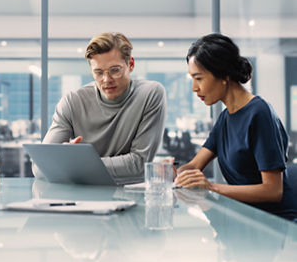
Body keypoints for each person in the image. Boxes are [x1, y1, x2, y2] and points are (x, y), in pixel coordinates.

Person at [174, 33, 297, 221]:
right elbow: (194, 165)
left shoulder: (259, 113)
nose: (194, 88)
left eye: (198, 78)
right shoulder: (225, 118)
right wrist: (175, 171)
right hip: (244, 216)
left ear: (223, 75)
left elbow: (273, 190)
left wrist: (211, 187)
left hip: (273, 223)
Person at [33, 32, 166, 184]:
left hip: (129, 194)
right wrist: (73, 162)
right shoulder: (72, 102)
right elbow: (39, 167)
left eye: (115, 70)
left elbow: (138, 164)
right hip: (80, 198)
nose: (107, 79)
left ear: (131, 64)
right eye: (98, 72)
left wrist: (72, 164)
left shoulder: (150, 94)